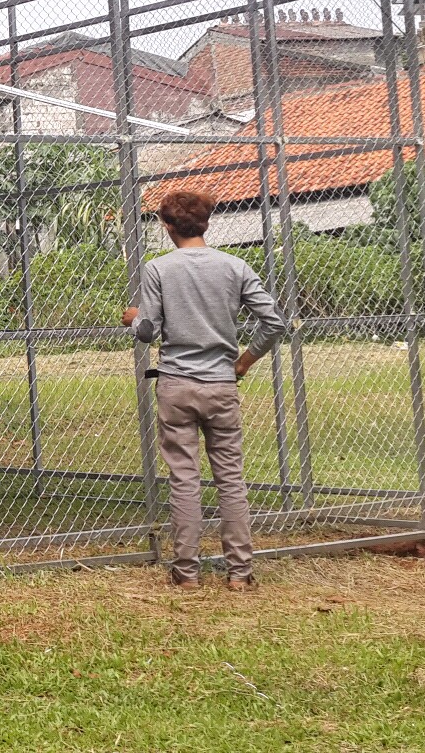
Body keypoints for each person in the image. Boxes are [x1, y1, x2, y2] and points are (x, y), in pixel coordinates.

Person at [121, 189, 286, 591]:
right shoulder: (235, 266)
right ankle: (240, 573)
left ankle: (187, 571)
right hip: (221, 385)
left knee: (184, 478)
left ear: (166, 225)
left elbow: (148, 332)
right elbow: (274, 323)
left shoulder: (158, 269)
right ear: (207, 223)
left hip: (176, 384)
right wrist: (244, 361)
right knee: (230, 477)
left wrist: (133, 318)